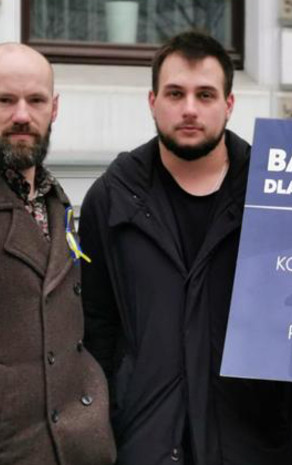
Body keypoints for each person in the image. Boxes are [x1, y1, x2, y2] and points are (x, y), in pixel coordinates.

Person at [79, 32, 292, 465]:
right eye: (175, 93)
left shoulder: (274, 193)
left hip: (252, 434)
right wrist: (95, 424)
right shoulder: (111, 198)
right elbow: (97, 322)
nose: (189, 109)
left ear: (229, 104)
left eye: (205, 95)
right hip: (145, 434)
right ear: (152, 101)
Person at [0, 43, 115, 465]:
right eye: (5, 100)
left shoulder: (55, 199)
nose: (22, 115)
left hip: (82, 447)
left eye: (36, 100)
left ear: (55, 108)